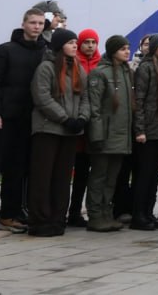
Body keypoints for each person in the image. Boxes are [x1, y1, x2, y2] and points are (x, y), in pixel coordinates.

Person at [0, 8, 46, 235]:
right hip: (2, 119)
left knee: (17, 169)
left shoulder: (45, 52)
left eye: (41, 23)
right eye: (33, 22)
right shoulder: (5, 50)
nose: (36, 27)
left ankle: (8, 215)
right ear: (23, 24)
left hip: (27, 120)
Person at [27, 29, 90, 237]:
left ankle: (57, 219)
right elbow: (42, 97)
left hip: (70, 131)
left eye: (75, 43)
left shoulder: (78, 68)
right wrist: (65, 118)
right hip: (48, 129)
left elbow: (85, 98)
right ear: (60, 44)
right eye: (71, 42)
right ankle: (40, 221)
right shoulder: (46, 67)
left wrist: (81, 118)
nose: (75, 46)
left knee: (62, 178)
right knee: (43, 176)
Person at [86, 34, 133, 232]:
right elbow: (94, 108)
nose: (127, 52)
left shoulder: (125, 72)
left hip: (121, 135)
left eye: (128, 48)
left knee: (112, 177)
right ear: (113, 51)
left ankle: (107, 213)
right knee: (99, 177)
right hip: (104, 135)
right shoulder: (100, 73)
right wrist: (96, 135)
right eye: (123, 49)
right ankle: (95, 216)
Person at [131, 33, 158, 230]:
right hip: (147, 132)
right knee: (144, 175)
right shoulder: (146, 68)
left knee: (154, 176)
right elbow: (138, 101)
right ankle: (138, 215)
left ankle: (148, 213)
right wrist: (140, 130)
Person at [66, 28, 100, 226]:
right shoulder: (73, 62)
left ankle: (78, 211)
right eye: (86, 42)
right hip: (75, 124)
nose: (89, 45)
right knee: (72, 171)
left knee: (86, 173)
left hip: (92, 127)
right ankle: (68, 210)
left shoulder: (100, 64)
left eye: (93, 42)